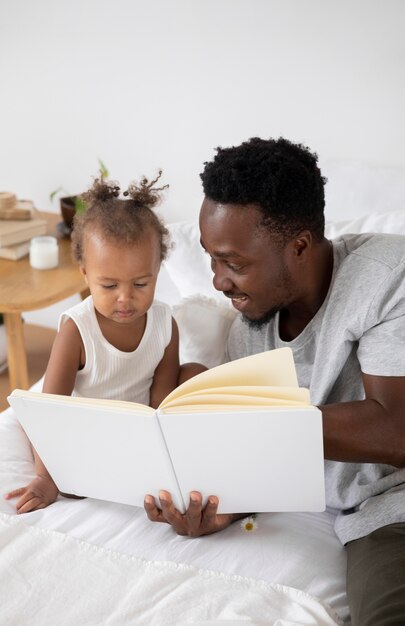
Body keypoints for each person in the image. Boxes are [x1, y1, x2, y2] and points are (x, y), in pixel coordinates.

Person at [144, 137, 405, 625]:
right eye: (211, 258)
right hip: (379, 525)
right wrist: (228, 505)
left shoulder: (388, 276)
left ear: (300, 245)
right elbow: (271, 461)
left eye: (234, 262)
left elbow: (397, 428)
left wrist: (252, 423)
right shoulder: (248, 334)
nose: (218, 281)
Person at [6, 172, 188, 514]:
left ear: (157, 270)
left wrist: (157, 453)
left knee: (193, 373)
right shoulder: (77, 329)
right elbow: (53, 409)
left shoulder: (165, 324)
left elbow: (161, 401)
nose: (125, 298)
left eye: (140, 283)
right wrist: (46, 478)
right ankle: (33, 438)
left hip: (134, 427)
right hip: (83, 424)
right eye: (108, 286)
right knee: (73, 487)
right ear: (85, 274)